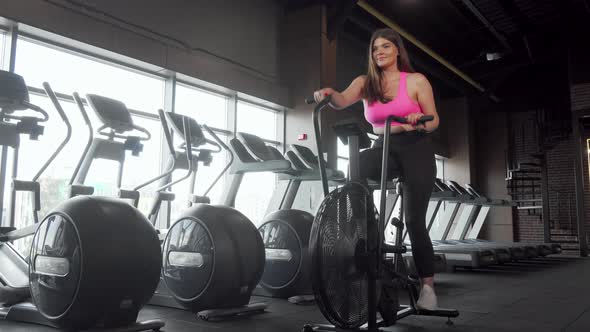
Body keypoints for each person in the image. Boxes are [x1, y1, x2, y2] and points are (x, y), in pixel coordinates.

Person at [313, 28, 440, 311]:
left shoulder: (416, 81)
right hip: (384, 146)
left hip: (416, 146)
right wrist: (328, 93)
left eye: (385, 46)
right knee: (356, 168)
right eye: (375, 48)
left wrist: (419, 119)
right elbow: (341, 100)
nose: (379, 52)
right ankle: (370, 228)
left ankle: (428, 286)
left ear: (397, 50)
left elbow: (434, 121)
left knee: (414, 222)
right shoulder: (365, 83)